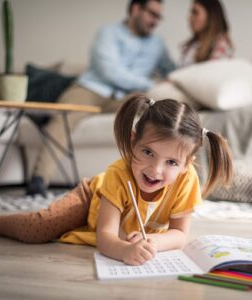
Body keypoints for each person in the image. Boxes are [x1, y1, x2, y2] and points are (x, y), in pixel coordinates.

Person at [0, 95, 233, 266]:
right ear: (133, 140)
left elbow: (179, 233)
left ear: (187, 164)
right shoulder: (118, 174)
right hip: (91, 197)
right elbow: (106, 236)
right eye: (148, 152)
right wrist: (124, 251)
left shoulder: (186, 179)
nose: (155, 170)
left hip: (130, 227)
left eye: (171, 162)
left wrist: (152, 241)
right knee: (36, 229)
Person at [27, 0, 176, 197]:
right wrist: (148, 83)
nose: (156, 21)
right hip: (93, 89)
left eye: (159, 16)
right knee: (64, 118)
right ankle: (39, 180)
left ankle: (148, 182)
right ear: (136, 9)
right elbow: (109, 71)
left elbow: (173, 71)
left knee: (152, 110)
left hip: (127, 97)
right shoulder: (108, 33)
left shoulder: (158, 45)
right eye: (152, 14)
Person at [180, 0, 234, 67]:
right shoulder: (190, 46)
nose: (189, 18)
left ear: (211, 16)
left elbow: (213, 74)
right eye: (191, 13)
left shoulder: (221, 45)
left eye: (195, 12)